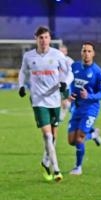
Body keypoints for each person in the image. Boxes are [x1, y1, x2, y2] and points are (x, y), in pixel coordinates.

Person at [18, 25, 69, 182]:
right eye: (41, 37)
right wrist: (21, 85)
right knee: (47, 136)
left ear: (49, 39)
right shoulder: (29, 56)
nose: (44, 40)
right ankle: (57, 170)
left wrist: (65, 83)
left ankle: (46, 161)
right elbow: (22, 72)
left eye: (46, 37)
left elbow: (68, 72)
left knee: (53, 137)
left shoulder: (57, 55)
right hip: (38, 100)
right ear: (36, 39)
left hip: (54, 100)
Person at [67, 42, 101, 175]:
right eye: (84, 51)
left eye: (89, 51)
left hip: (90, 109)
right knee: (71, 141)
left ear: (93, 53)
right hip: (77, 107)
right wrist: (70, 95)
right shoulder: (75, 67)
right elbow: (70, 84)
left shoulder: (98, 72)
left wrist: (88, 96)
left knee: (79, 139)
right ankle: (93, 134)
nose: (86, 54)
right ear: (81, 53)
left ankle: (78, 167)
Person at [58, 44, 74, 122]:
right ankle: (60, 116)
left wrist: (66, 83)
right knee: (59, 102)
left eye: (63, 51)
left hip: (66, 86)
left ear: (66, 52)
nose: (61, 53)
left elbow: (72, 73)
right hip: (55, 85)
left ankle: (62, 116)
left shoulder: (69, 61)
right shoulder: (54, 60)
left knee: (64, 102)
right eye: (60, 51)